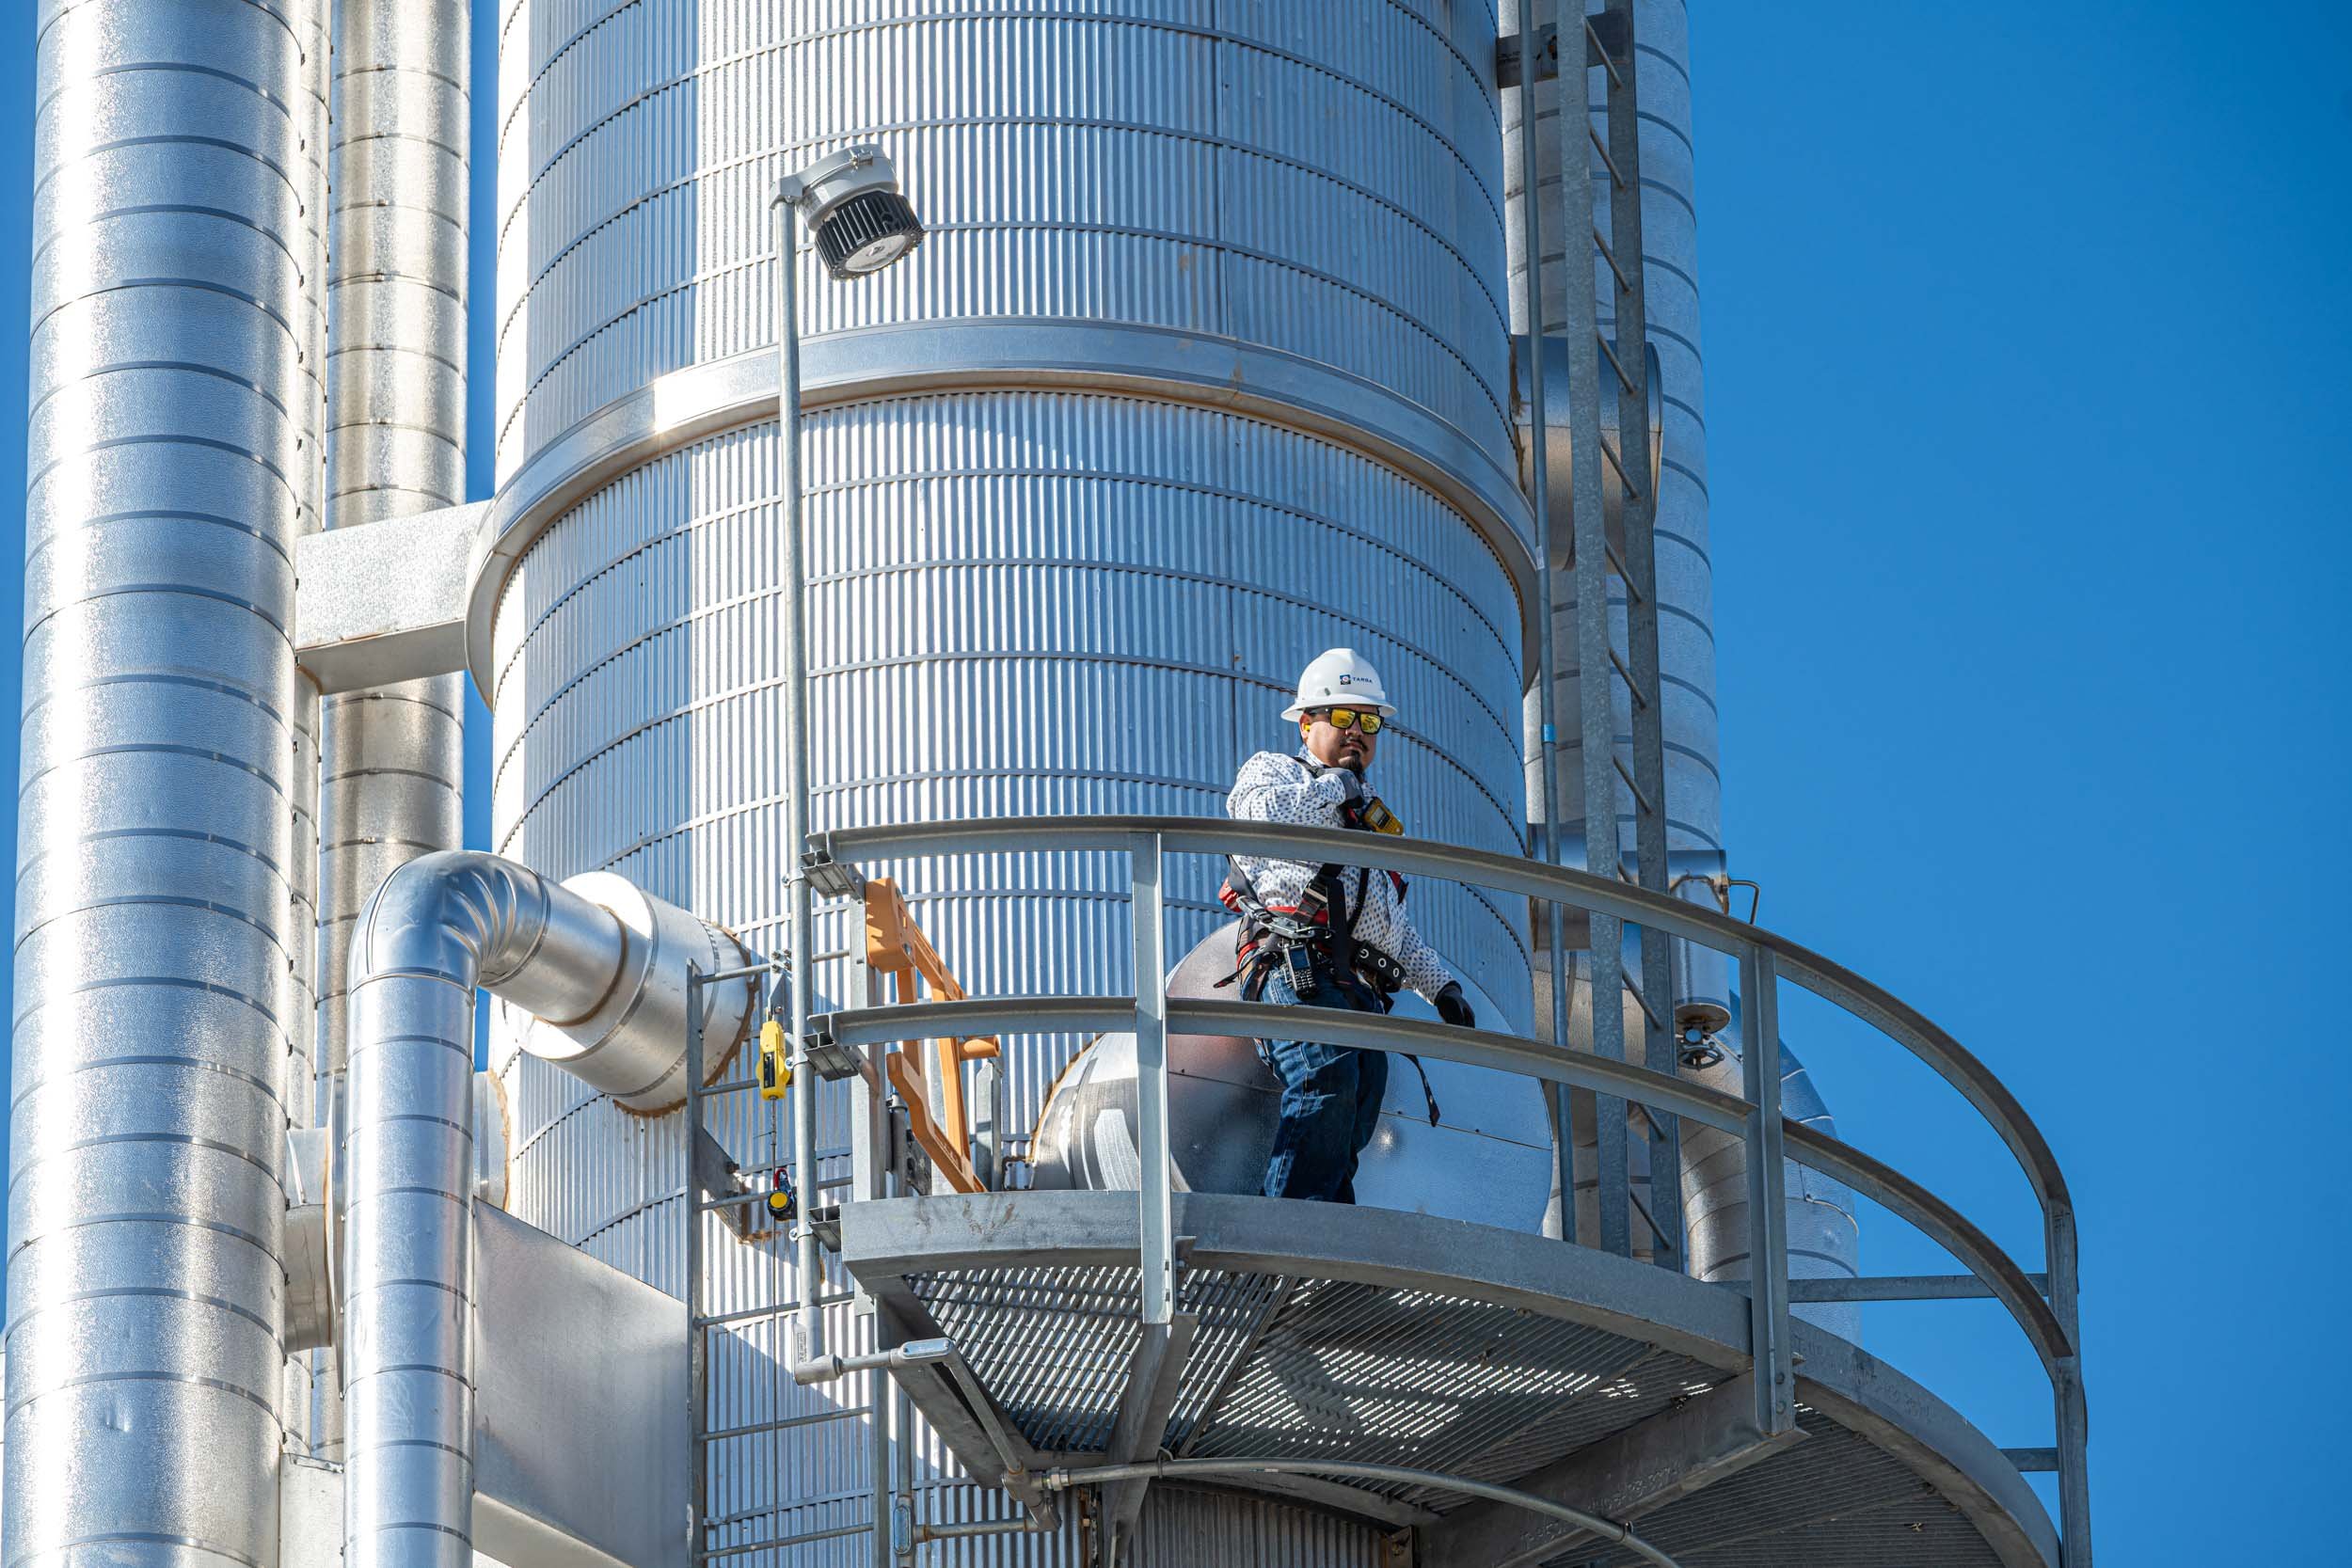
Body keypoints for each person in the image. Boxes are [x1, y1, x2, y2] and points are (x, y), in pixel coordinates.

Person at [1222, 648, 1476, 1203]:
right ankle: (1288, 1244)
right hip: (1296, 969)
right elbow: (1259, 815)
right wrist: (1339, 788)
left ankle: (1326, 1253)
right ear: (1307, 722)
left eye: (1368, 722)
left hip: (1356, 989)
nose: (1356, 732)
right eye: (1341, 718)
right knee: (1326, 1077)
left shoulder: (1368, 818)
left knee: (1357, 1107)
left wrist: (1440, 986)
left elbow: (1390, 926)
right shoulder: (1274, 771)